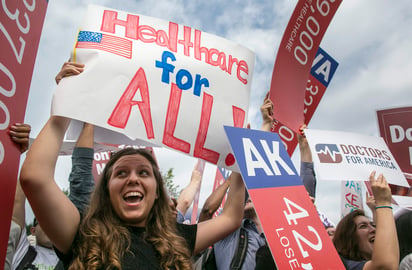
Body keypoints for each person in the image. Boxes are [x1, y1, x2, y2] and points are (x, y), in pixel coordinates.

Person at [20, 98, 245, 268]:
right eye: (121, 173)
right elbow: (35, 178)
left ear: (157, 192)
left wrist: (242, 146)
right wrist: (65, 104)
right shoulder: (82, 233)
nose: (133, 178)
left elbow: (231, 217)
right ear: (106, 191)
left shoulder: (176, 239)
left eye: (144, 173)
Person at [333, 172, 399, 270]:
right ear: (349, 238)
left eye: (373, 225)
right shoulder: (345, 266)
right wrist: (383, 202)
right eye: (363, 226)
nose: (373, 229)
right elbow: (385, 266)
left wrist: (376, 210)